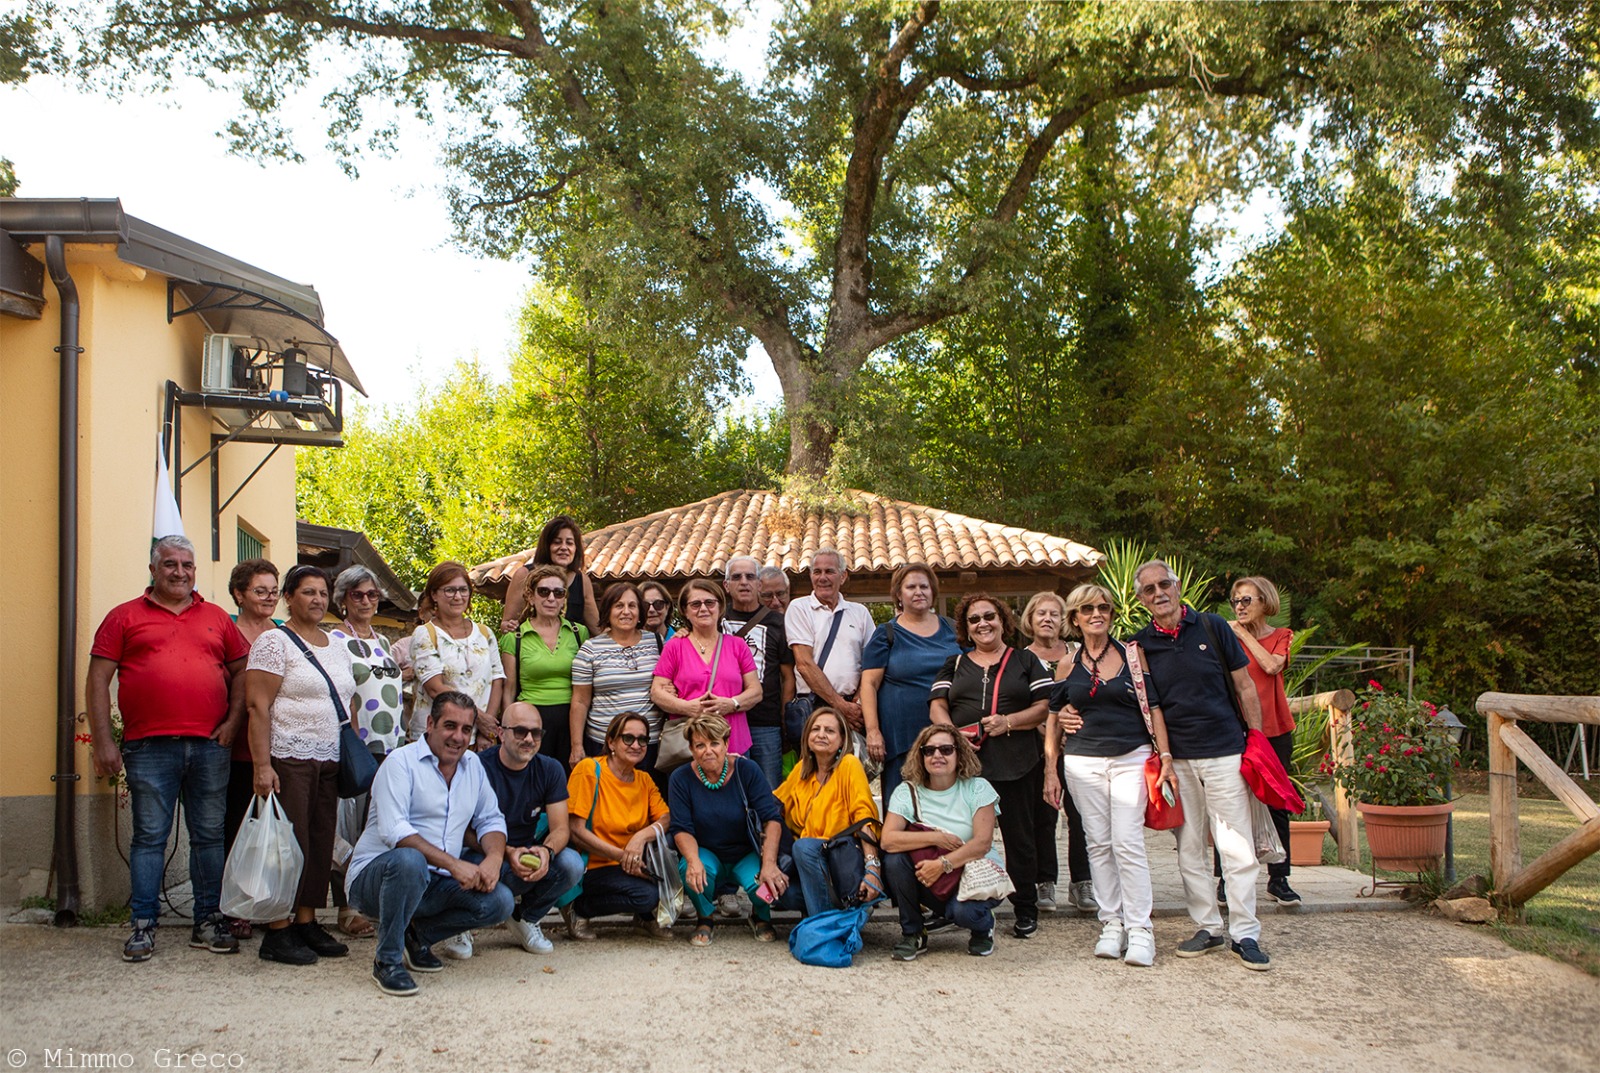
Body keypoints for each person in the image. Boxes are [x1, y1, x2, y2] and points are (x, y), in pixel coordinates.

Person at [86, 534, 248, 962]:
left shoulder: (216, 617)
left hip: (210, 745)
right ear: (154, 569)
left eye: (187, 565)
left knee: (209, 837)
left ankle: (208, 920)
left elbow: (242, 674)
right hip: (147, 747)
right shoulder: (123, 617)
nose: (180, 572)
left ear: (195, 570)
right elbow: (97, 680)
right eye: (171, 564)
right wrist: (104, 740)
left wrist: (233, 722)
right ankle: (143, 924)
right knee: (149, 838)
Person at [1130, 559, 1270, 970]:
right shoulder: (1139, 645)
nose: (1159, 594)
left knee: (1237, 846)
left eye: (1164, 585)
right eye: (1149, 589)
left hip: (1226, 751)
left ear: (1176, 586)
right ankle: (1208, 926)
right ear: (1141, 599)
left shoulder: (1213, 627)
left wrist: (1257, 741)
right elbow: (1147, 705)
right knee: (1189, 847)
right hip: (1179, 762)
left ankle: (1245, 933)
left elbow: (1244, 685)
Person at [345, 691, 515, 997]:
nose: (458, 737)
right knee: (410, 860)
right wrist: (453, 863)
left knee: (500, 901)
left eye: (466, 729)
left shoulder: (473, 766)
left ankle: (416, 937)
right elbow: (394, 832)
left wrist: (493, 858)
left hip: (434, 881)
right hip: (375, 881)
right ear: (430, 724)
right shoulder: (401, 763)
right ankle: (387, 961)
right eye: (450, 726)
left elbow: (491, 820)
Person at [1043, 584, 1175, 967]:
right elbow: (1054, 716)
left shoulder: (1133, 656)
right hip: (1082, 762)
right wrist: (1050, 768)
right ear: (1076, 618)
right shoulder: (1068, 663)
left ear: (1112, 614)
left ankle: (1140, 929)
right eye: (1087, 609)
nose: (1096, 614)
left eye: (1103, 607)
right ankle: (1111, 922)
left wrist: (1164, 756)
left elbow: (1155, 707)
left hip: (1130, 756)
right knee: (1097, 843)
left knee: (1128, 842)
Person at [245, 564, 354, 967]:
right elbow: (257, 706)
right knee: (287, 845)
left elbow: (347, 701)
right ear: (288, 596)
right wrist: (262, 765)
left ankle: (306, 920)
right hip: (288, 757)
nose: (317, 600)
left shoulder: (337, 644)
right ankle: (277, 929)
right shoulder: (274, 642)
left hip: (328, 759)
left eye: (323, 593)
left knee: (321, 843)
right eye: (308, 592)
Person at [930, 593, 1053, 940]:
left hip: (1017, 764)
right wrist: (952, 733)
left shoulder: (1026, 661)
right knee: (957, 839)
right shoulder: (954, 664)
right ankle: (955, 906)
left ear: (1003, 620)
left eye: (989, 616)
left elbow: (1045, 706)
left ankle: (1025, 908)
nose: (982, 623)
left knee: (1020, 840)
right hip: (967, 769)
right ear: (965, 628)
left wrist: (1010, 721)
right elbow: (937, 705)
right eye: (974, 620)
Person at [880, 725, 1003, 959]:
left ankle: (983, 927)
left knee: (963, 913)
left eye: (946, 749)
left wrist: (942, 864)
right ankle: (913, 932)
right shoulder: (907, 792)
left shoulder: (978, 788)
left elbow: (982, 844)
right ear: (921, 756)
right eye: (929, 751)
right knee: (894, 860)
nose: (937, 756)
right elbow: (888, 840)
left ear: (959, 753)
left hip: (973, 875)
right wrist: (937, 838)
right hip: (929, 875)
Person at [328, 565, 405, 938]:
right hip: (356, 745)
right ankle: (345, 907)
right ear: (342, 599)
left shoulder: (383, 642)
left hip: (388, 746)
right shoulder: (334, 641)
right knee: (346, 824)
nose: (365, 601)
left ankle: (367, 899)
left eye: (372, 595)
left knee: (371, 828)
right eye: (357, 594)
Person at [667, 713, 789, 946]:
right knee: (690, 870)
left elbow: (771, 819)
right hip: (707, 852)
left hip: (745, 853)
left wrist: (770, 863)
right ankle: (705, 918)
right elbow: (681, 828)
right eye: (700, 745)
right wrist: (693, 860)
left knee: (763, 885)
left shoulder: (747, 770)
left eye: (714, 743)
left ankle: (760, 914)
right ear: (691, 749)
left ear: (726, 744)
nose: (708, 751)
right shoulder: (680, 778)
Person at [475, 702, 586, 953]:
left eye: (536, 733)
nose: (529, 739)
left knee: (571, 863)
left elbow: (560, 829)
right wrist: (505, 852)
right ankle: (456, 927)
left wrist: (545, 852)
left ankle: (526, 917)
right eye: (520, 731)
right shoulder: (477, 766)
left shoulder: (549, 768)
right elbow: (461, 830)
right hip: (481, 855)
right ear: (501, 733)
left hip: (524, 855)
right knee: (482, 880)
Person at [562, 712, 674, 941]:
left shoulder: (644, 780)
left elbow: (665, 818)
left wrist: (640, 837)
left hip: (631, 860)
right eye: (628, 738)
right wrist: (623, 856)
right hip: (593, 865)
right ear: (611, 741)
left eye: (642, 739)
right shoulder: (589, 770)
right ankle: (578, 908)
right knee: (647, 896)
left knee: (673, 846)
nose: (636, 745)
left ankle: (643, 919)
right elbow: (576, 831)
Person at [860, 563, 961, 814]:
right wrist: (873, 731)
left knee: (946, 808)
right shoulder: (887, 633)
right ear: (898, 594)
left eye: (924, 586)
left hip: (948, 733)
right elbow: (869, 685)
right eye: (911, 587)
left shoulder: (954, 629)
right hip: (900, 737)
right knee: (903, 808)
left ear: (933, 591)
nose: (919, 592)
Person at [1019, 590, 1096, 915]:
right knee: (1044, 815)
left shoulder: (1081, 653)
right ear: (1030, 620)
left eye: (1054, 613)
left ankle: (1083, 883)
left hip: (1080, 744)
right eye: (1041, 613)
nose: (1047, 619)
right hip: (1038, 746)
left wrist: (1070, 731)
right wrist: (1049, 731)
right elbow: (1023, 704)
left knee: (1081, 816)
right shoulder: (1021, 658)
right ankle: (1044, 880)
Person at [1230, 575, 1300, 907]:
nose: (1239, 607)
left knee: (1277, 804)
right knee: (1230, 804)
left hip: (1275, 730)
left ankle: (1279, 878)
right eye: (1236, 601)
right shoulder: (1226, 638)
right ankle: (1225, 879)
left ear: (1265, 603)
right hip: (1236, 730)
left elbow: (1272, 666)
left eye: (1246, 600)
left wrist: (1242, 633)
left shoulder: (1281, 636)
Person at [773, 707, 881, 916]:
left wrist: (872, 868)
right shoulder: (803, 768)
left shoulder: (849, 765)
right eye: (816, 729)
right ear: (807, 736)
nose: (821, 734)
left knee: (804, 847)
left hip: (842, 864)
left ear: (842, 740)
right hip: (810, 867)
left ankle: (823, 925)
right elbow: (773, 804)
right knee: (781, 891)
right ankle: (837, 914)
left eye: (829, 731)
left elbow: (865, 817)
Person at [222, 557, 281, 940]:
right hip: (236, 748)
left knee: (270, 832)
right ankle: (235, 907)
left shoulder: (280, 632)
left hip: (276, 747)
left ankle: (265, 903)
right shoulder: (226, 631)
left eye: (274, 591)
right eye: (260, 591)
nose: (269, 598)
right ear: (239, 593)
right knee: (236, 830)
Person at [650, 579, 763, 759]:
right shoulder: (674, 646)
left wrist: (731, 704)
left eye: (709, 602)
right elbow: (657, 692)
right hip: (689, 745)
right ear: (685, 611)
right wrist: (687, 707)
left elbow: (756, 691)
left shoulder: (737, 645)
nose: (703, 609)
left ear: (719, 607)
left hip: (733, 742)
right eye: (695, 604)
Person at [499, 563, 590, 771]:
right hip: (530, 723)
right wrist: (507, 730)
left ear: (564, 599)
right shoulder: (515, 638)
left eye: (558, 593)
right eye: (543, 591)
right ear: (531, 597)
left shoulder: (579, 633)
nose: (551, 598)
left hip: (572, 722)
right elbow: (509, 690)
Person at [571, 582, 664, 770]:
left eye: (632, 606)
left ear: (640, 612)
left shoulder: (657, 643)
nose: (626, 612)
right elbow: (580, 701)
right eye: (619, 606)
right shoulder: (590, 649)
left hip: (648, 745)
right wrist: (576, 746)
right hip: (605, 743)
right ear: (607, 611)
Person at [409, 562, 504, 746]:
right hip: (438, 737)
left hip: (479, 738)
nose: (458, 596)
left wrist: (488, 730)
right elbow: (436, 688)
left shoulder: (485, 633)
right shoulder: (425, 634)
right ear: (434, 594)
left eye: (463, 590)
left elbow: (497, 680)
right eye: (450, 590)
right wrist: (478, 718)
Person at [721, 556, 795, 790]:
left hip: (766, 722)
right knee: (732, 790)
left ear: (759, 585)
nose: (744, 582)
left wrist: (784, 719)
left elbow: (788, 676)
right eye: (736, 577)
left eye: (750, 577)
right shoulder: (715, 619)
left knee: (770, 791)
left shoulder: (778, 622)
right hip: (724, 721)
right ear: (726, 585)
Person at [785, 547, 875, 734]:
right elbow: (804, 664)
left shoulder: (860, 612)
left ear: (843, 577)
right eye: (817, 572)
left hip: (854, 709)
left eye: (829, 571)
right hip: (814, 707)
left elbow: (871, 664)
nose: (822, 578)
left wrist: (857, 704)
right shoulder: (799, 608)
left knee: (853, 763)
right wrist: (840, 705)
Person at [498, 515, 601, 634]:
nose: (564, 547)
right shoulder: (523, 575)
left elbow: (596, 628)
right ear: (546, 546)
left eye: (569, 543)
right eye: (557, 542)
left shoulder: (582, 581)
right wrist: (510, 626)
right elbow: (506, 624)